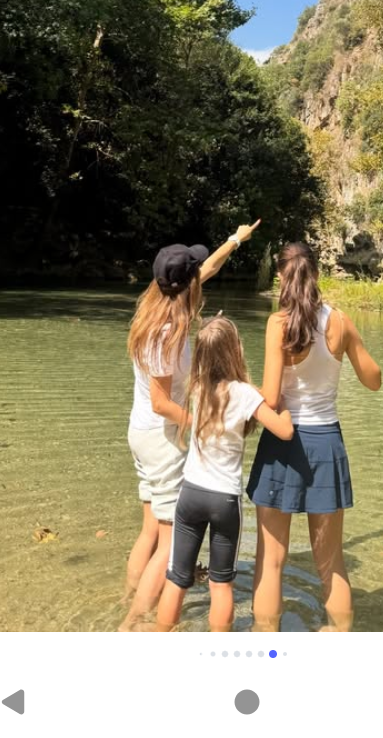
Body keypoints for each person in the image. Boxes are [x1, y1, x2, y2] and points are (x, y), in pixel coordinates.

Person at [120, 221, 260, 630]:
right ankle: (133, 622)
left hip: (140, 433)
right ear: (187, 285)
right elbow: (161, 402)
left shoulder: (156, 308)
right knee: (169, 542)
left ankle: (128, 599)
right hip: (161, 439)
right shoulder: (167, 332)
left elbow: (207, 268)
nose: (202, 274)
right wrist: (205, 425)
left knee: (151, 529)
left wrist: (235, 240)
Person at [247, 241, 381, 631]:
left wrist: (242, 390)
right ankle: (338, 634)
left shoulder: (278, 324)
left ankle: (266, 640)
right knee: (331, 561)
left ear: (280, 276)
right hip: (327, 444)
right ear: (317, 275)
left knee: (271, 561)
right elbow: (374, 380)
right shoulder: (340, 321)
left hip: (283, 443)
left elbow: (272, 398)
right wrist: (350, 345)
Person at [156, 315, 293, 633]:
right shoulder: (245, 394)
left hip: (191, 493)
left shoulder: (197, 388)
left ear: (201, 354)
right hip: (224, 499)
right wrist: (285, 406)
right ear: (235, 350)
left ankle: (161, 637)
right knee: (221, 584)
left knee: (177, 578)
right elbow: (284, 431)